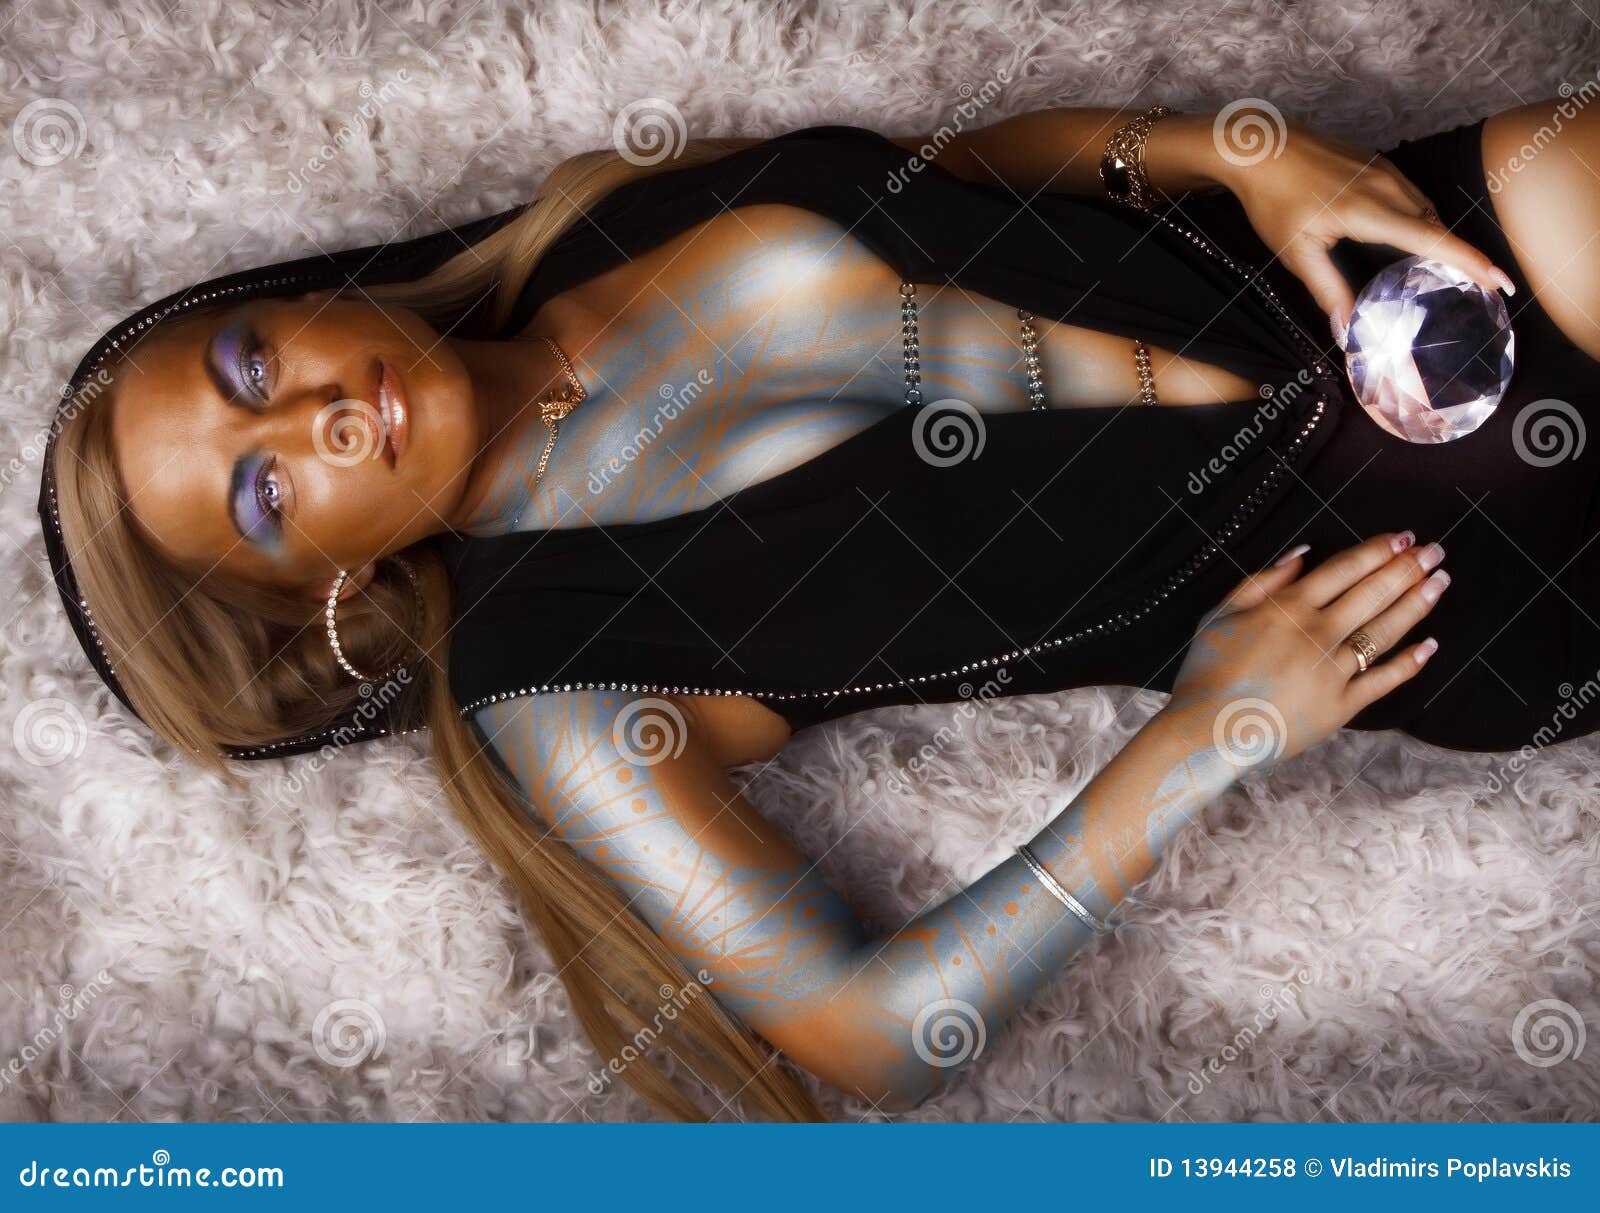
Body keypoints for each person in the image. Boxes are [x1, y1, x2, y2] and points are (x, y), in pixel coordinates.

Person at [38, 98, 1600, 1118]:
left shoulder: (585, 223)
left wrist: (1227, 154)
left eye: (249, 363)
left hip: (1403, 254)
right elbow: (872, 1031)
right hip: (1444, 567)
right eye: (263, 493)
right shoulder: (554, 675)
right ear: (326, 585)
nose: (310, 416)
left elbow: (970, 176)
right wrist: (1210, 735)